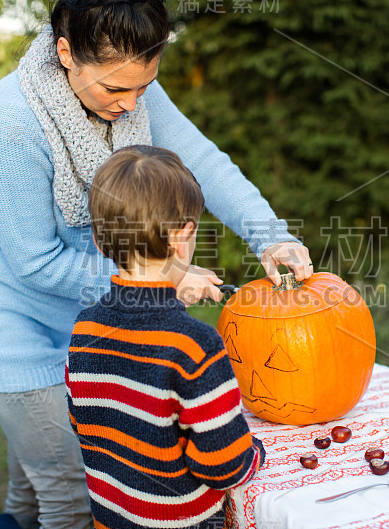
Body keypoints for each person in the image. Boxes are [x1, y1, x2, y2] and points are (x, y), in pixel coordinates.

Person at [0, 0, 311, 527]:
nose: (134, 105)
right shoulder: (9, 124)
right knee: (70, 491)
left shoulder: (132, 87)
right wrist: (159, 277)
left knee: (33, 483)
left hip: (89, 315)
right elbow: (37, 263)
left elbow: (200, 161)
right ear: (66, 53)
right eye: (116, 89)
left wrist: (269, 236)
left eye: (145, 85)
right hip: (5, 322)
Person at [67, 145, 266, 529]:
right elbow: (223, 466)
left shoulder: (85, 328)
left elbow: (82, 420)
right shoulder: (195, 345)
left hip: (111, 518)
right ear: (183, 237)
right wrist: (252, 453)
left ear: (97, 239)